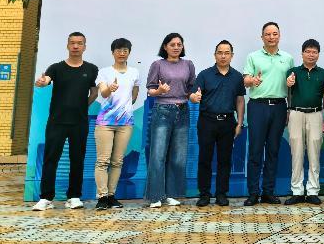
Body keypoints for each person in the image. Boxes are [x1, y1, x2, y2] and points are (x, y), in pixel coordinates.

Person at [32, 32, 99, 211]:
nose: (76, 46)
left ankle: (74, 196)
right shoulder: (56, 68)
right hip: (57, 121)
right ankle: (46, 198)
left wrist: (82, 106)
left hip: (79, 122)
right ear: (67, 45)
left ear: (84, 47)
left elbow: (94, 92)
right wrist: (42, 81)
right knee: (50, 159)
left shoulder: (91, 69)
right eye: (72, 43)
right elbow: (46, 80)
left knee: (77, 159)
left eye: (79, 43)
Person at [243, 22, 295, 206]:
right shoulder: (253, 56)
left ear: (279, 36)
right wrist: (252, 80)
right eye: (268, 34)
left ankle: (268, 192)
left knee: (273, 150)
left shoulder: (288, 58)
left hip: (279, 107)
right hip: (258, 106)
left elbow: (291, 87)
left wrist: (289, 109)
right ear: (262, 37)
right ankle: (253, 193)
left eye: (275, 34)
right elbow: (245, 80)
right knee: (255, 151)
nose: (271, 37)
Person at [191, 40, 245, 207]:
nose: (223, 56)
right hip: (207, 121)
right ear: (215, 55)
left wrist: (239, 123)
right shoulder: (204, 75)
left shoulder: (237, 76)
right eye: (220, 53)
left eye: (226, 53)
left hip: (228, 122)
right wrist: (194, 97)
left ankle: (221, 193)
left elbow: (240, 100)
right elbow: (193, 95)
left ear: (232, 56)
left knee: (225, 160)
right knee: (205, 159)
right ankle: (204, 194)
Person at [145, 32, 196, 208]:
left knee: (178, 157)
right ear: (165, 47)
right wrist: (159, 91)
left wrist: (193, 97)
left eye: (179, 44)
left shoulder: (188, 65)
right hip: (163, 111)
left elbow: (191, 89)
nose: (176, 47)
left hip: (183, 111)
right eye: (172, 44)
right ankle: (155, 196)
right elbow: (150, 90)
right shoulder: (158, 65)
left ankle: (172, 194)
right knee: (158, 155)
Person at [93, 38, 139, 211]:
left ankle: (111, 196)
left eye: (125, 50)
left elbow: (134, 94)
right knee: (102, 161)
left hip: (125, 123)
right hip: (105, 123)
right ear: (113, 52)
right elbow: (103, 93)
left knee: (118, 161)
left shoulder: (134, 72)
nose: (122, 53)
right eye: (118, 50)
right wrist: (110, 89)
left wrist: (125, 108)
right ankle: (102, 197)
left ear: (129, 53)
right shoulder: (104, 72)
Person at [284, 39, 324, 206]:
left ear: (318, 54)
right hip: (296, 114)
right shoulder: (293, 72)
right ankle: (297, 191)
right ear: (302, 53)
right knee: (296, 153)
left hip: (316, 114)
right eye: (308, 51)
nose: (311, 55)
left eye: (314, 52)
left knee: (314, 153)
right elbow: (287, 93)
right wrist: (288, 84)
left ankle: (312, 191)